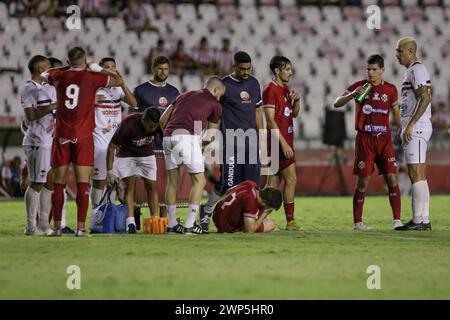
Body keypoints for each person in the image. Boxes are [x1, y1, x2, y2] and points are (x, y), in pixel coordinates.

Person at [44, 46, 123, 237]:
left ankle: (56, 227)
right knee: (82, 183)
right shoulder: (92, 77)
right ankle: (80, 228)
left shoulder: (59, 77)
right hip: (84, 135)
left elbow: (45, 73)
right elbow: (118, 80)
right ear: (86, 60)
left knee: (59, 184)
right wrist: (96, 67)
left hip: (62, 134)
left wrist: (66, 67)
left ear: (68, 60)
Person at [334, 54, 403, 230]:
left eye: (374, 70)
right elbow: (336, 103)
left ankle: (397, 220)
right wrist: (351, 95)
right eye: (368, 69)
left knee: (391, 178)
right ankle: (358, 222)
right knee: (363, 181)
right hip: (365, 139)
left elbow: (396, 116)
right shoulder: (359, 87)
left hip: (385, 139)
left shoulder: (391, 90)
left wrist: (401, 128)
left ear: (382, 70)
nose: (370, 73)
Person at [201, 51, 263, 232]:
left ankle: (246, 221)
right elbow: (212, 109)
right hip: (231, 141)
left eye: (248, 69)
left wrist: (262, 136)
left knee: (251, 185)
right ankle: (206, 212)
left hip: (251, 142)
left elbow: (258, 112)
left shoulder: (254, 83)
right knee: (227, 183)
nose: (246, 73)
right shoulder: (225, 85)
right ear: (233, 67)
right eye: (242, 69)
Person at [160, 77, 225, 234]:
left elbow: (162, 120)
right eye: (221, 94)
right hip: (187, 138)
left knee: (173, 181)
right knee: (199, 180)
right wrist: (198, 146)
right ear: (216, 90)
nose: (220, 97)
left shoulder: (183, 95)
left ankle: (172, 224)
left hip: (168, 137)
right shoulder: (215, 104)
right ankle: (190, 225)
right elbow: (210, 136)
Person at [394, 36, 433, 231]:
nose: (397, 55)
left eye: (400, 51)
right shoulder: (413, 70)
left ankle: (421, 221)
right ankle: (422, 219)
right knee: (419, 174)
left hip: (416, 128)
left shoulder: (417, 69)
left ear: (411, 51)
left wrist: (411, 125)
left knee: (415, 173)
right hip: (416, 127)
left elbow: (424, 97)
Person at [91, 57, 137, 207]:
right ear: (101, 69)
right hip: (99, 139)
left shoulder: (117, 89)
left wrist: (122, 83)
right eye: (107, 67)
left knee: (114, 179)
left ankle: (107, 213)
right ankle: (97, 214)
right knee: (99, 179)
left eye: (113, 67)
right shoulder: (94, 87)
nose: (111, 69)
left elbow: (134, 103)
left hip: (116, 141)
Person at [106, 107, 161, 234]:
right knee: (129, 186)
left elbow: (165, 137)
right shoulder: (128, 124)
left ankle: (155, 220)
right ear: (143, 120)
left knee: (151, 185)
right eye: (150, 126)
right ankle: (130, 222)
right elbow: (111, 147)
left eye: (155, 126)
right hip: (127, 154)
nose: (153, 129)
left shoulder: (158, 124)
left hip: (147, 154)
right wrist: (109, 171)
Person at [263, 56, 302, 231]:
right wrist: (284, 144)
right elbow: (270, 120)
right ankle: (290, 221)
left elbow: (293, 114)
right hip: (278, 142)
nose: (290, 72)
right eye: (287, 69)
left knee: (273, 184)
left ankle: (255, 217)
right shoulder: (270, 90)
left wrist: (297, 101)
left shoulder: (285, 89)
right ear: (277, 71)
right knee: (291, 179)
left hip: (284, 142)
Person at [20, 55, 56, 235]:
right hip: (37, 141)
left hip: (48, 140)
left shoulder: (46, 87)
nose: (50, 70)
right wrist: (52, 107)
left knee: (49, 182)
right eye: (48, 67)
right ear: (41, 69)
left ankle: (43, 224)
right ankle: (30, 227)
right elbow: (30, 117)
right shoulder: (29, 88)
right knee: (36, 183)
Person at [213, 180, 282, 233]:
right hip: (227, 226)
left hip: (217, 214)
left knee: (260, 222)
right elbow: (249, 230)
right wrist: (264, 214)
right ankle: (237, 230)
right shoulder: (251, 201)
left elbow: (228, 191)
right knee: (271, 224)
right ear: (264, 203)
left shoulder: (250, 183)